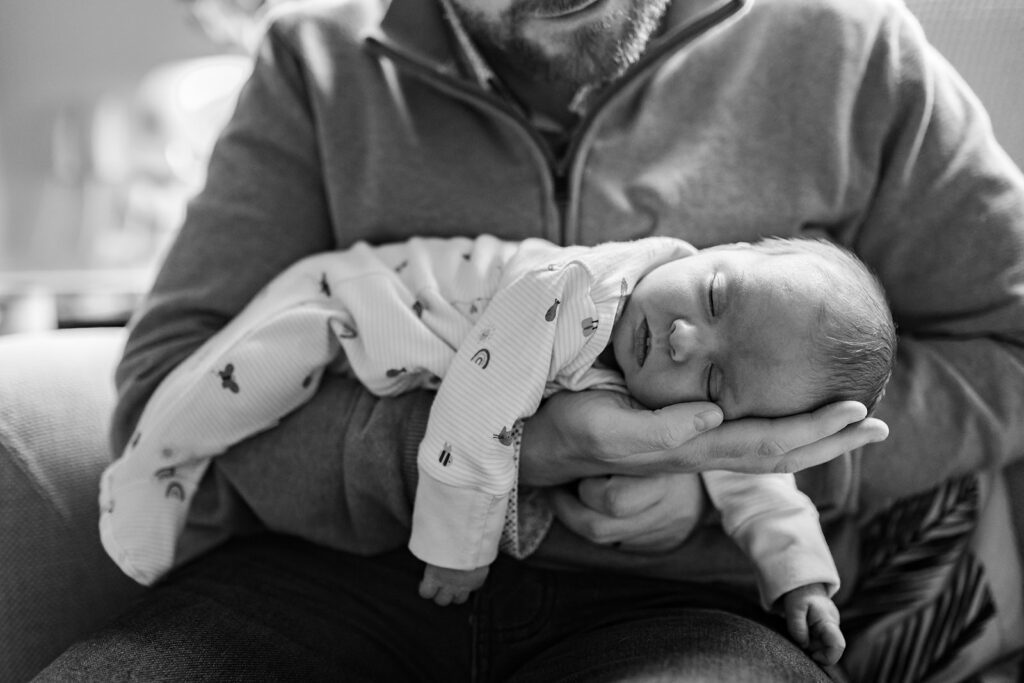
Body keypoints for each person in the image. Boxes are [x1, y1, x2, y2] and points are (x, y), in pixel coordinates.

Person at [39, 0, 1024, 680]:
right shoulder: (318, 64)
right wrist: (522, 456)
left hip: (684, 614)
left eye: (717, 366)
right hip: (333, 572)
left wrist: (738, 472)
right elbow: (170, 383)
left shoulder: (849, 51)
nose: (683, 336)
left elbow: (1008, 343)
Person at [100, 233, 895, 665]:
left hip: (644, 619)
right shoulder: (582, 293)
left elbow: (750, 467)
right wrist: (460, 550)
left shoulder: (678, 381)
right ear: (729, 247)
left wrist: (798, 575)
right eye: (716, 293)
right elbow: (477, 410)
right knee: (224, 391)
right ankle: (148, 473)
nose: (686, 336)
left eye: (716, 379)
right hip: (350, 304)